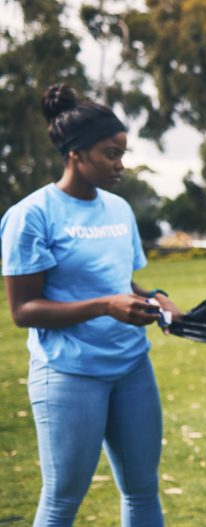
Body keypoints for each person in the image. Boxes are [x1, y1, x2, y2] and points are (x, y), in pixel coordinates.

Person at [1, 84, 182, 527]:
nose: (121, 164)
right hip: (68, 374)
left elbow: (121, 282)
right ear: (77, 153)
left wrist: (152, 296)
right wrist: (104, 306)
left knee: (142, 491)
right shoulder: (33, 215)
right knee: (63, 500)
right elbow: (24, 310)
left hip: (132, 368)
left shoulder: (119, 209)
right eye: (111, 153)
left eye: (122, 153)